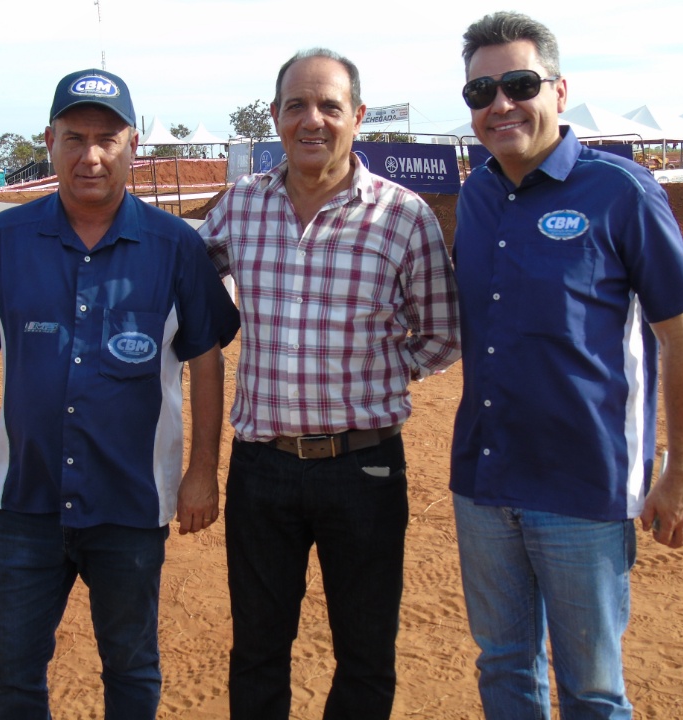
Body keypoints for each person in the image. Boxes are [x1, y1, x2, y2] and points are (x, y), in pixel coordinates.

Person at [0, 68, 239, 719]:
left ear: (132, 145)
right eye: (75, 137)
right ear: (50, 140)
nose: (91, 155)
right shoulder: (4, 241)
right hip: (24, 503)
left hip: (131, 502)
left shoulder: (177, 248)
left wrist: (203, 471)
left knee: (130, 668)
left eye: (107, 138)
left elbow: (206, 360)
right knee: (12, 673)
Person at [449, 12, 683, 719]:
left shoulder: (619, 192)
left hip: (583, 488)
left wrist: (679, 471)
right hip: (482, 481)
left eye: (518, 83)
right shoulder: (474, 197)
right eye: (481, 92)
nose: (500, 103)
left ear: (560, 91)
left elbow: (681, 336)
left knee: (592, 689)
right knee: (504, 669)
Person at [199, 48, 461, 720]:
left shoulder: (403, 217)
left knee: (366, 654)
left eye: (329, 106)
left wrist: (376, 372)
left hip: (365, 469)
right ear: (276, 116)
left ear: (358, 116)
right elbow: (188, 284)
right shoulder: (238, 208)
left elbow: (442, 332)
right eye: (296, 105)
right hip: (261, 468)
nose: (311, 119)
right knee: (257, 650)